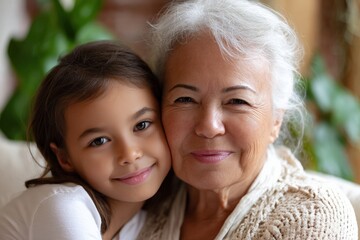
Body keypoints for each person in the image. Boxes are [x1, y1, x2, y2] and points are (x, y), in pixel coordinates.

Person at [137, 0, 359, 239]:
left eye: (237, 101)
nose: (209, 126)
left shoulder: (312, 216)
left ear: (276, 119)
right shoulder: (140, 201)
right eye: (185, 99)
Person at [0, 41, 171, 240]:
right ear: (64, 158)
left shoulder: (144, 224)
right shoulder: (63, 207)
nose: (130, 154)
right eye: (99, 141)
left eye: (141, 125)